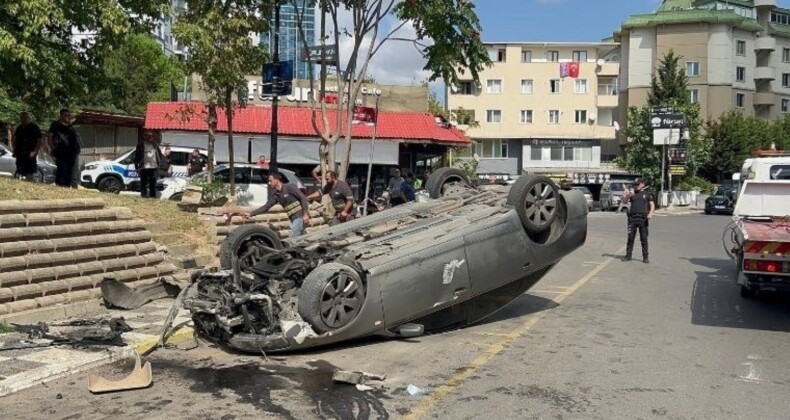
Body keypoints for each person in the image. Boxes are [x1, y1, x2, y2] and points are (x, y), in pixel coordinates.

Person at [243, 173, 311, 237]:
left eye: (270, 181)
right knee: (301, 237)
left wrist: (305, 214)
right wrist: (251, 214)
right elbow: (266, 207)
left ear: (277, 180)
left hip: (300, 217)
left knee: (293, 237)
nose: (269, 183)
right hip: (293, 219)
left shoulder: (289, 187)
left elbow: (303, 198)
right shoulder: (276, 196)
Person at [622, 178, 655, 263]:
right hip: (632, 218)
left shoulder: (647, 194)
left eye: (638, 184)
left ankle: (645, 257)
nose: (636, 186)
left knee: (644, 239)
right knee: (630, 238)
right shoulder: (632, 194)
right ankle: (628, 256)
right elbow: (625, 202)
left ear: (642, 184)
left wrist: (650, 213)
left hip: (642, 219)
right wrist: (627, 196)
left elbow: (652, 204)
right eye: (635, 184)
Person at [48, 108, 81, 188]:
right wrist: (52, 148)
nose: (67, 117)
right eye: (66, 115)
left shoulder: (71, 127)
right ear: (61, 115)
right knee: (62, 170)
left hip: (72, 152)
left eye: (69, 115)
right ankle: (61, 186)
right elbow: (49, 137)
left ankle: (70, 186)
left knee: (71, 171)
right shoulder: (55, 125)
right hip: (61, 152)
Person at [12, 112, 43, 181]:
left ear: (29, 118)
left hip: (30, 152)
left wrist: (35, 151)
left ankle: (29, 182)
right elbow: (14, 139)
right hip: (20, 152)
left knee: (30, 171)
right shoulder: (19, 128)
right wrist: (15, 150)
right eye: (22, 118)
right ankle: (22, 182)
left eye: (25, 118)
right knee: (20, 170)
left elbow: (39, 140)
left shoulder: (34, 127)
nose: (23, 119)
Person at [134, 132, 165, 198]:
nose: (149, 138)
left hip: (153, 167)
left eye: (151, 136)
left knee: (153, 183)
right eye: (148, 136)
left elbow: (160, 155)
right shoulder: (141, 145)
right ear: (144, 137)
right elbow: (137, 156)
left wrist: (160, 164)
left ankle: (152, 197)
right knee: (143, 183)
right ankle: (143, 196)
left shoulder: (155, 145)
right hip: (144, 167)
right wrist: (136, 166)